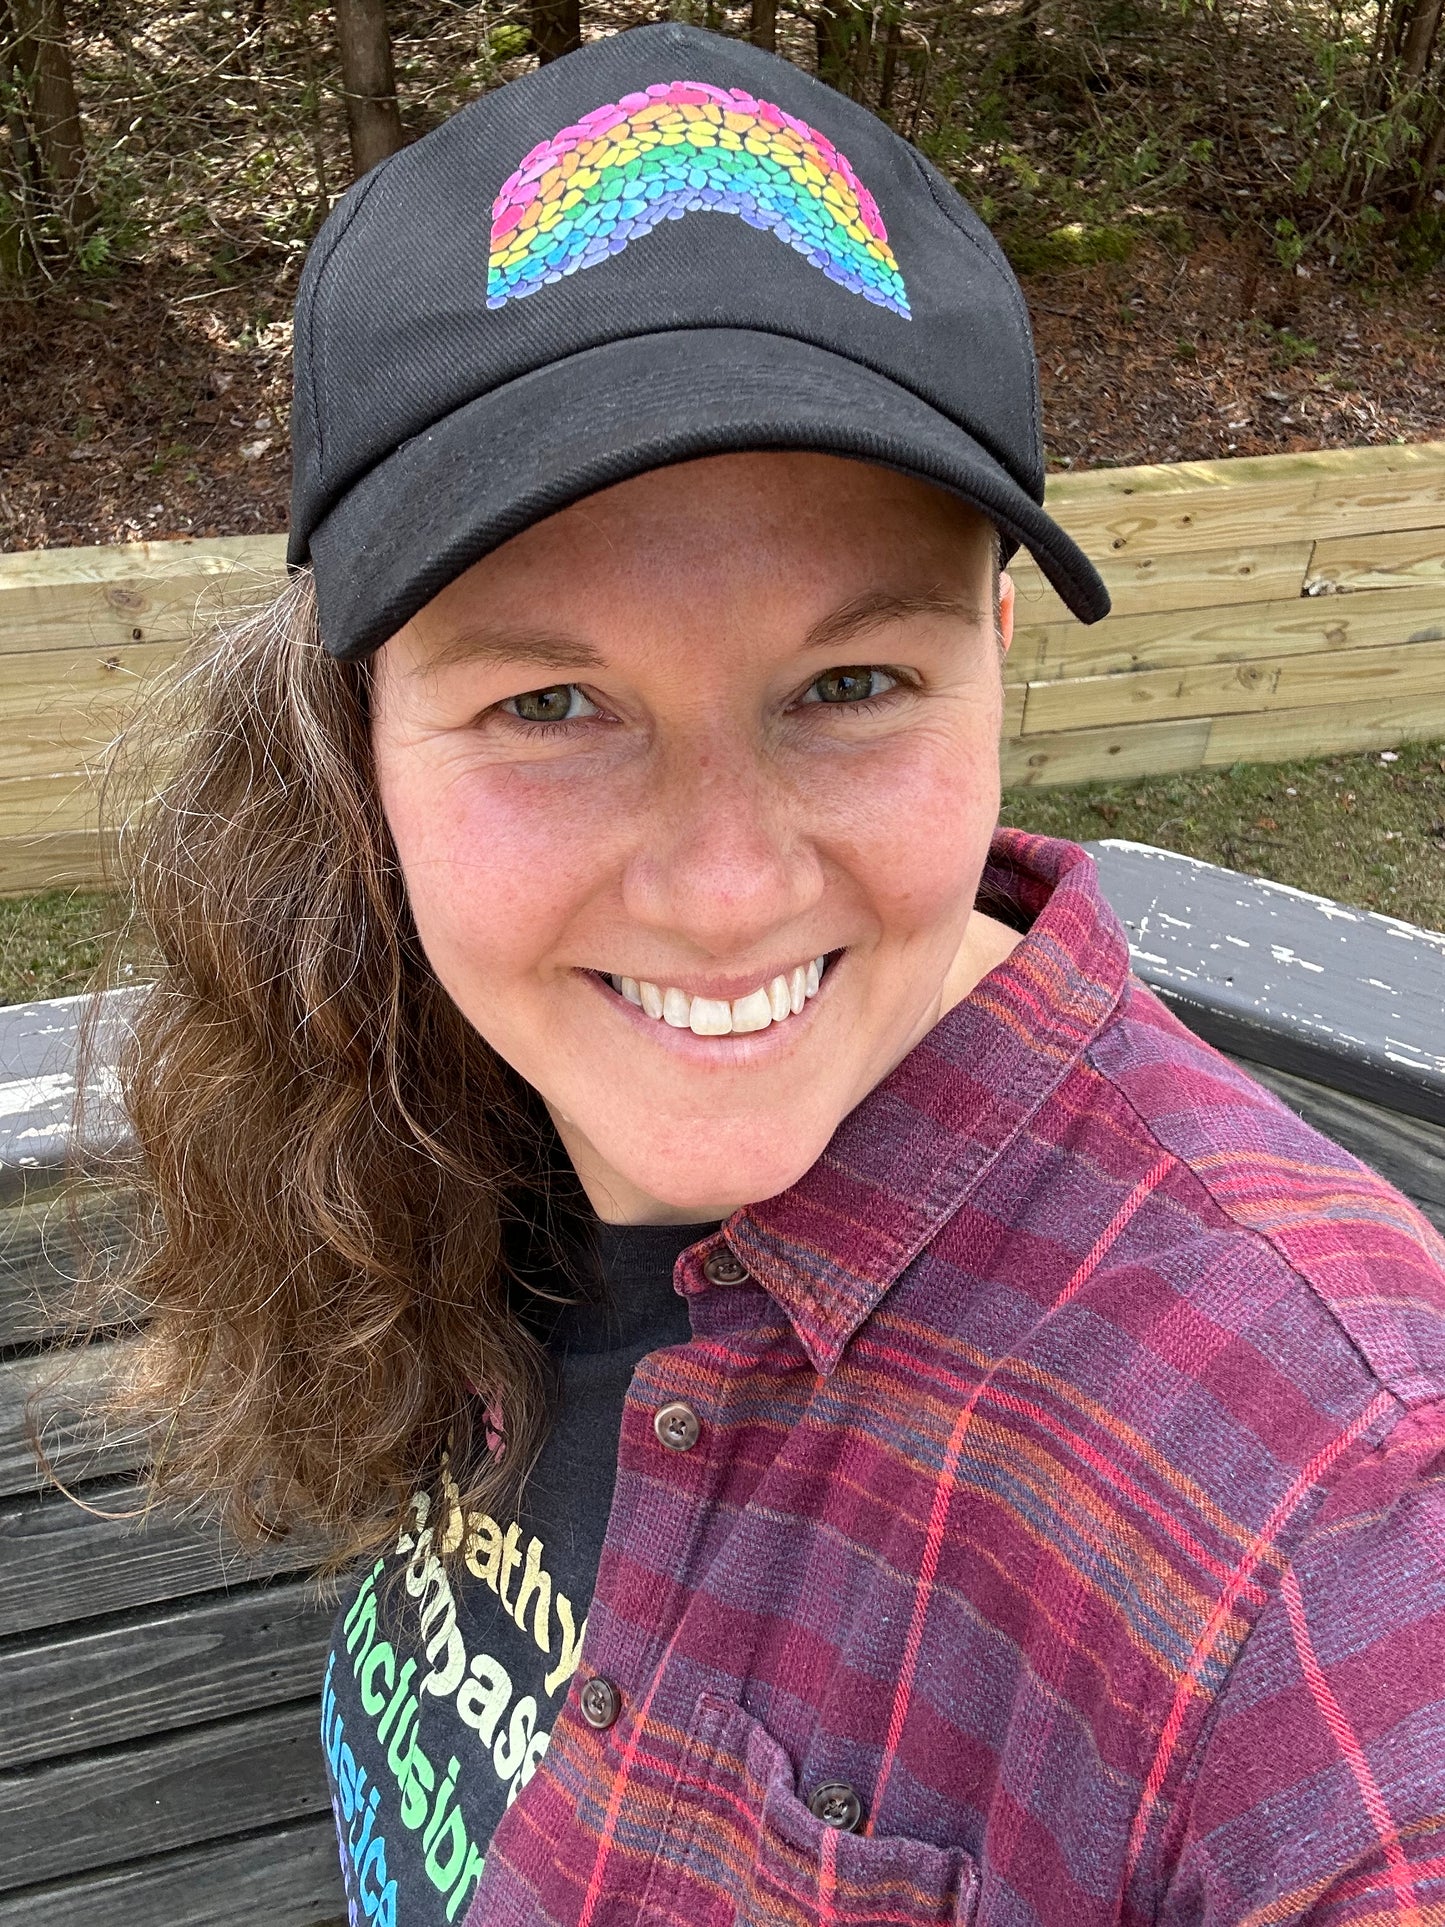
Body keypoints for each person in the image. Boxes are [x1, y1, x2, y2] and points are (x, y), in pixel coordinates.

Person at [102, 21, 1445, 1927]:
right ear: (357, 731)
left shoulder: (1339, 1512)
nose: (727, 895)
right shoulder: (432, 1098)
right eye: (550, 703)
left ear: (993, 652)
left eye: (851, 686)